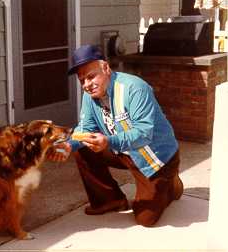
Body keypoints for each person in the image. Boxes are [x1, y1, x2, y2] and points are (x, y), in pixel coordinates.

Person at [47, 44, 183, 227]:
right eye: (82, 80)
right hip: (123, 151)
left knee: (145, 219)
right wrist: (69, 145)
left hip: (155, 158)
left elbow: (143, 133)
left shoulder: (134, 88)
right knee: (83, 148)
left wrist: (108, 141)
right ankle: (109, 200)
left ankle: (171, 183)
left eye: (91, 76)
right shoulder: (90, 95)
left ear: (106, 68)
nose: (87, 84)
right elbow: (85, 128)